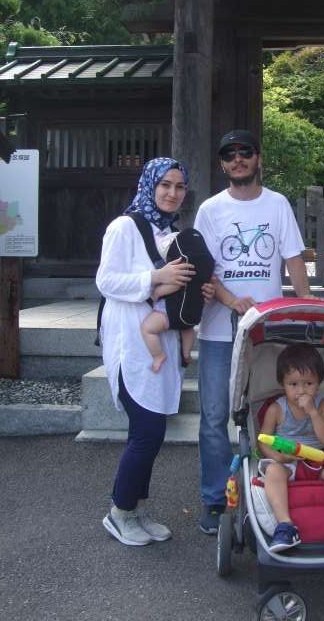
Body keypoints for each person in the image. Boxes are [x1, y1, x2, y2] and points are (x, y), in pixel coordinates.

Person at [193, 128, 313, 535]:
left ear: (258, 158)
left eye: (246, 153)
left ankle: (270, 486)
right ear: (222, 163)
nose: (238, 160)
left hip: (269, 331)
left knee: (268, 414)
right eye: (230, 154)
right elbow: (204, 266)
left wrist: (307, 305)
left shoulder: (277, 204)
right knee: (213, 416)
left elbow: (293, 258)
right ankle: (214, 498)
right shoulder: (210, 210)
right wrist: (229, 300)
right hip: (217, 332)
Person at [96, 157, 215, 547]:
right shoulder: (124, 227)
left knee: (152, 429)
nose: (172, 193)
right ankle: (119, 511)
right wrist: (156, 278)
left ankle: (135, 508)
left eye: (180, 187)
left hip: (158, 339)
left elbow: (180, 287)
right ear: (149, 185)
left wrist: (199, 291)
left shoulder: (170, 232)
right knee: (147, 431)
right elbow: (106, 280)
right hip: (131, 338)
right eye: (165, 184)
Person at [258, 343, 324, 553]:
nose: (301, 390)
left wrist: (313, 412)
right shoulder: (276, 409)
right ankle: (285, 525)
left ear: (318, 383)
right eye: (293, 384)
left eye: (308, 383)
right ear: (283, 384)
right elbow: (263, 441)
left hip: (317, 460)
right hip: (288, 462)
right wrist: (277, 457)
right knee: (272, 472)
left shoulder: (323, 406)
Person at [140, 228, 214, 373]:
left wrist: (156, 293)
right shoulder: (197, 271)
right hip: (189, 314)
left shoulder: (176, 272)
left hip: (167, 313)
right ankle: (186, 354)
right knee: (187, 329)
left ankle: (158, 355)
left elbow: (174, 286)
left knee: (147, 329)